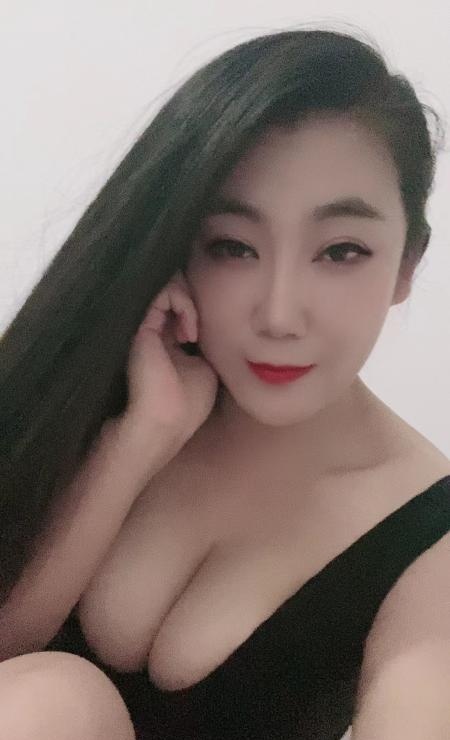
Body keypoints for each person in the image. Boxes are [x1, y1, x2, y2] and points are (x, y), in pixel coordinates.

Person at [0, 23, 449, 740]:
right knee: (51, 700)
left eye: (341, 251)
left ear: (406, 267)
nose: (278, 315)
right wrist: (138, 441)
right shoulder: (102, 385)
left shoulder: (428, 541)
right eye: (233, 247)